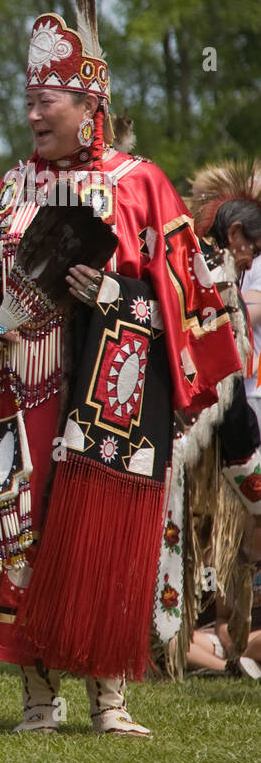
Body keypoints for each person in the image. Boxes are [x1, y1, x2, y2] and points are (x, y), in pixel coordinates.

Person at [0, 0, 240, 735]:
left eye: (49, 102)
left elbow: (191, 294)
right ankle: (39, 697)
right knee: (27, 534)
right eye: (29, 101)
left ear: (90, 106)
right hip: (21, 391)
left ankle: (109, 696)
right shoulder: (13, 190)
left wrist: (111, 298)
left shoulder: (139, 187)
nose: (34, 113)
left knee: (104, 544)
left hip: (113, 397)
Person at [153, 161, 261, 678]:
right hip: (182, 436)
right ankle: (174, 651)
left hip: (184, 437)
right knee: (169, 542)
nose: (252, 261)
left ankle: (184, 649)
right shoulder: (209, 270)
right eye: (254, 250)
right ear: (235, 235)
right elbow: (224, 382)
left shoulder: (192, 264)